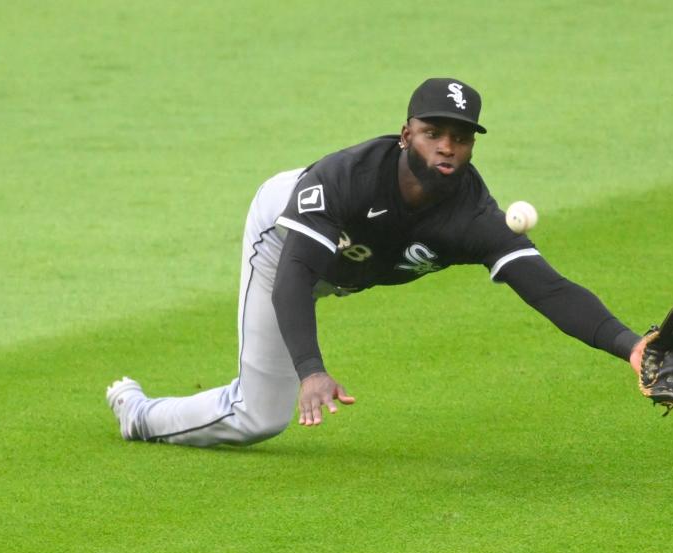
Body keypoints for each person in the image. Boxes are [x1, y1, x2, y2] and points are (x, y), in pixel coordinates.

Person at [106, 78, 645, 447]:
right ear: (407, 132)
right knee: (259, 417)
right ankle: (140, 414)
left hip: (345, 266)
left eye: (460, 138)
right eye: (434, 133)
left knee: (274, 387)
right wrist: (311, 370)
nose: (447, 148)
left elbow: (547, 289)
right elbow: (293, 277)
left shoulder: (473, 215)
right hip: (286, 239)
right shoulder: (345, 179)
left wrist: (632, 347)